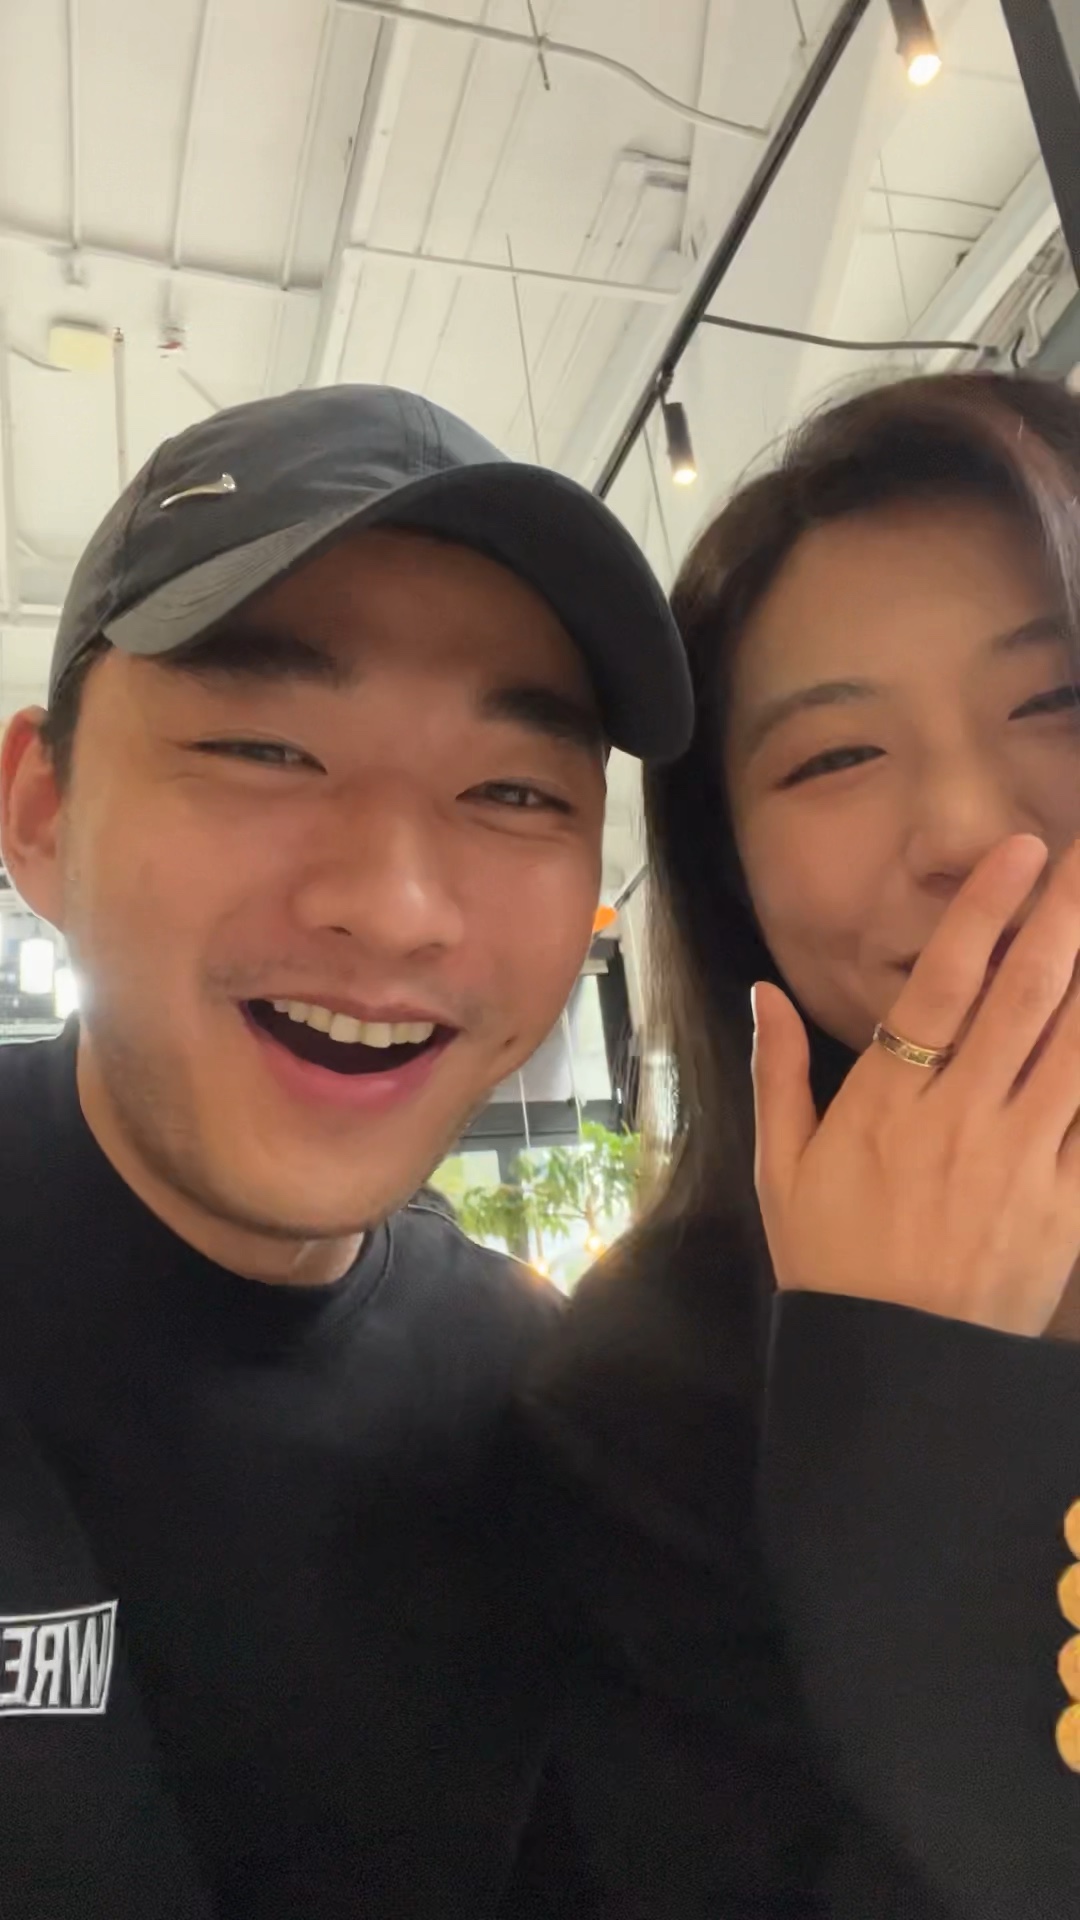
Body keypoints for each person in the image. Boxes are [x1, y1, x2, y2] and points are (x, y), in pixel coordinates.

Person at [0, 381, 693, 1919]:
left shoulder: (551, 1416)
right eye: (263, 747)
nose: (394, 905)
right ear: (43, 813)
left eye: (512, 790)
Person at [524, 371, 1080, 1919]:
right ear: (730, 873)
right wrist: (906, 1400)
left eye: (1059, 700)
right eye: (834, 758)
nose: (967, 830)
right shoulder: (644, 1405)